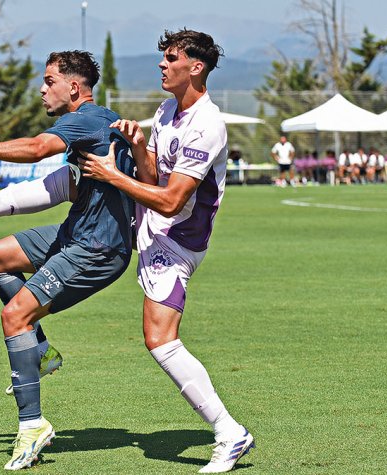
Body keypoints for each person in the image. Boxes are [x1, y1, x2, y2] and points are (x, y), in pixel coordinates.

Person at [0, 50, 136, 471]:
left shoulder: (86, 119)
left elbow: (39, 147)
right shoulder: (98, 121)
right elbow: (70, 186)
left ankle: (32, 425)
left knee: (14, 318)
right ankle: (40, 351)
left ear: (73, 87)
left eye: (48, 81)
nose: (42, 90)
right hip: (76, 234)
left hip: (96, 249)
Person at [78, 29, 254, 473]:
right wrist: (139, 146)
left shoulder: (207, 123)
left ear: (196, 67)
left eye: (171, 58)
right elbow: (154, 177)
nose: (162, 64)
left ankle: (229, 432)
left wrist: (110, 176)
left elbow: (173, 200)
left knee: (160, 339)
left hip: (178, 241)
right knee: (159, 339)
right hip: (156, 233)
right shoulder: (167, 110)